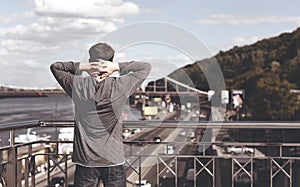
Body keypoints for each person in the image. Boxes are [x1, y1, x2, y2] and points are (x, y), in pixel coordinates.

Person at [50, 43, 151, 187]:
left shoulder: (77, 86)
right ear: (110, 62)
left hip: (85, 161)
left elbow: (56, 67)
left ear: (91, 61)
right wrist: (116, 67)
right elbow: (145, 67)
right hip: (113, 160)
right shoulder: (120, 86)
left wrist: (85, 67)